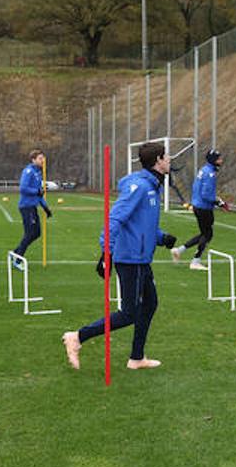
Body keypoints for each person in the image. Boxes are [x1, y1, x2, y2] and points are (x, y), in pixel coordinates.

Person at [62, 141, 177, 372]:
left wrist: (161, 238)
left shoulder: (153, 187)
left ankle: (137, 357)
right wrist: (106, 252)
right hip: (130, 259)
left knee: (150, 303)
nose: (169, 160)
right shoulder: (140, 187)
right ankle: (77, 336)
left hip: (142, 258)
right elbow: (114, 219)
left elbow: (142, 225)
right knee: (128, 314)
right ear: (157, 161)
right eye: (166, 157)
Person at [172, 150, 227, 271]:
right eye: (218, 159)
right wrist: (219, 202)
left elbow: (199, 189)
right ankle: (195, 261)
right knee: (208, 234)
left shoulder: (203, 170)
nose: (221, 161)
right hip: (203, 207)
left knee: (204, 234)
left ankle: (179, 250)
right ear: (213, 160)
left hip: (198, 205)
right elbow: (206, 194)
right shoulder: (210, 174)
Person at [12, 149, 53, 258]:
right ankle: (18, 259)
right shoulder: (28, 171)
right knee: (30, 233)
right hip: (26, 207)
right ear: (33, 159)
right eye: (40, 158)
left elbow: (40, 193)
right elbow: (23, 188)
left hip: (33, 207)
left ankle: (16, 253)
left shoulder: (38, 173)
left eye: (43, 158)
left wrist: (45, 207)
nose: (42, 160)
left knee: (37, 233)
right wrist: (36, 191)